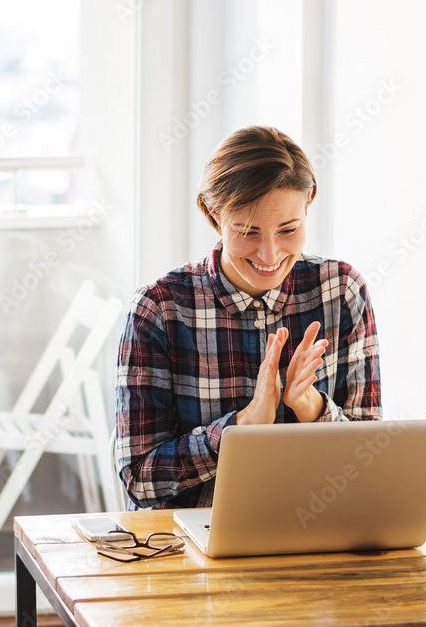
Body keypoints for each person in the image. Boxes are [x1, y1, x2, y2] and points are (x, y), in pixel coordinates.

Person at [115, 126, 381, 509]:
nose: (270, 254)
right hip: (194, 549)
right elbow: (139, 479)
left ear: (308, 206)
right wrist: (241, 428)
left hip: (320, 533)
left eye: (289, 229)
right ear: (213, 214)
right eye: (247, 231)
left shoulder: (342, 290)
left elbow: (373, 459)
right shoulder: (159, 308)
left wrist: (313, 409)